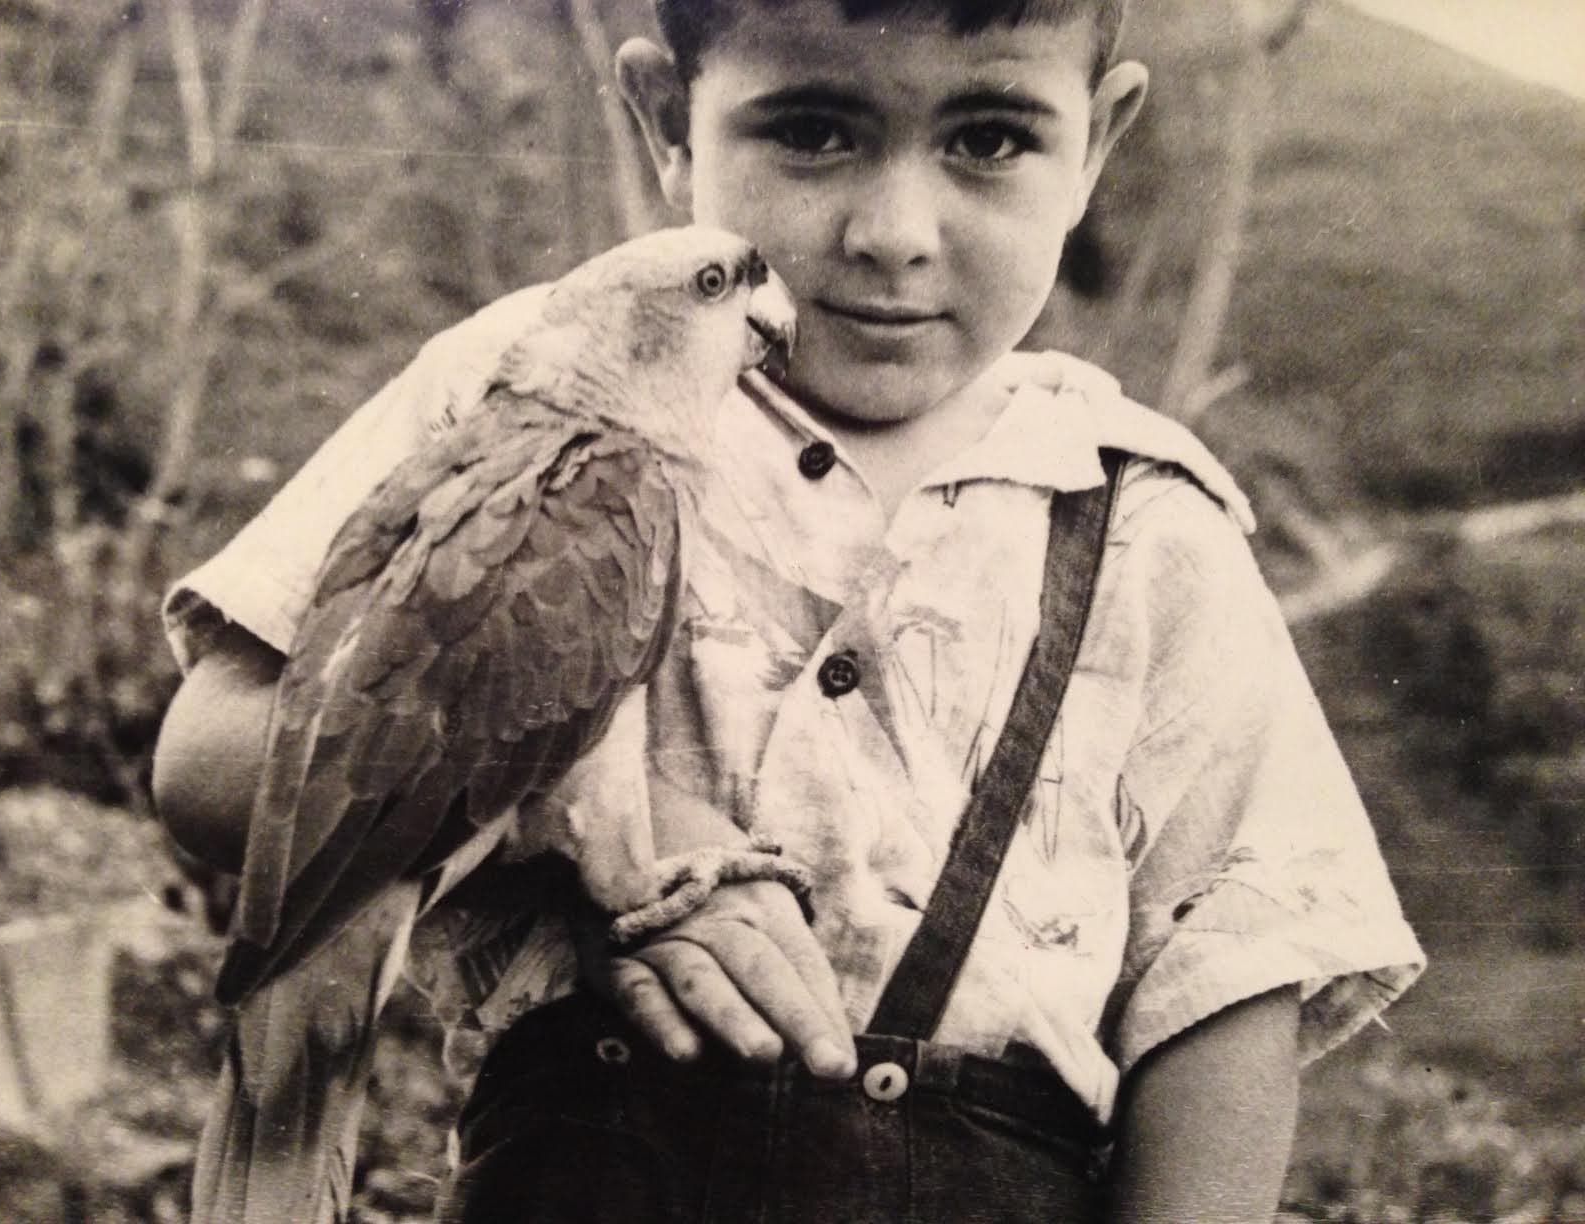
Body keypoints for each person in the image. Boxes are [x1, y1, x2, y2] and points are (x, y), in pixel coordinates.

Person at [152, 0, 1425, 1219]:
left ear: (1098, 143)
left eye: (988, 139)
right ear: (665, 121)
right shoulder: (521, 397)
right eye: (811, 130)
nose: (892, 231)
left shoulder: (1153, 521)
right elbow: (209, 755)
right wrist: (613, 837)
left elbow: (1228, 983)